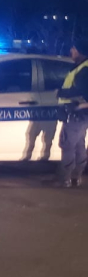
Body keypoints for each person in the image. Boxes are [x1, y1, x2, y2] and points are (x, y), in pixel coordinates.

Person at [56, 38, 88, 188]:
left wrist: (62, 92)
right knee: (80, 145)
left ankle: (66, 179)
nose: (71, 51)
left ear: (80, 51)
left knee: (68, 146)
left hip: (75, 113)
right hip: (81, 116)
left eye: (73, 49)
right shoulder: (81, 67)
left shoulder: (83, 71)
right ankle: (76, 177)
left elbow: (82, 91)